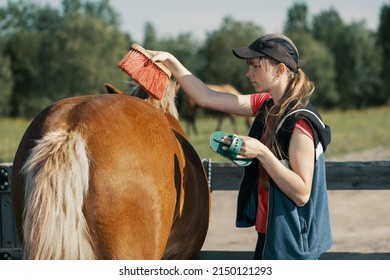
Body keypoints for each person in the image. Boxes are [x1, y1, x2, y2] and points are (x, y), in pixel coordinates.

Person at [150, 33, 332, 260]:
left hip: (293, 241)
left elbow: (302, 193)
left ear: (280, 70)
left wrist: (261, 152)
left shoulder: (300, 122)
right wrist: (171, 62)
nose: (249, 72)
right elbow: (206, 96)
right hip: (273, 232)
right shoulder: (268, 103)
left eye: (256, 66)